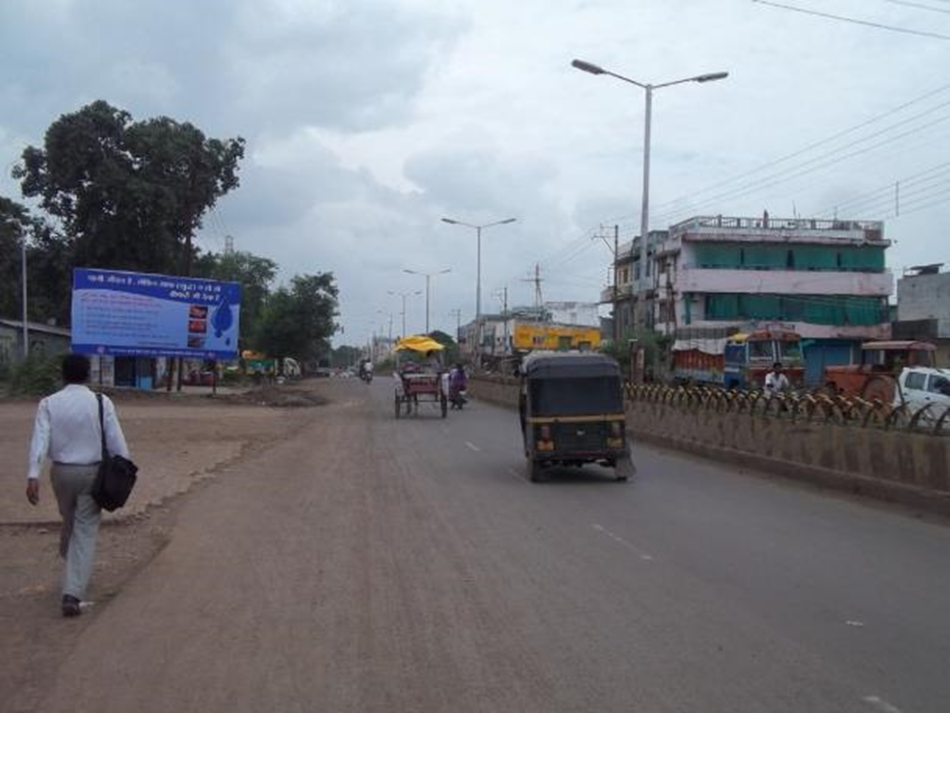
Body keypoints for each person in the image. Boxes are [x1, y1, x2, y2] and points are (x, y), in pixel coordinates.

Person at [26, 354, 130, 617]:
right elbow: (116, 439)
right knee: (83, 530)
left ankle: (73, 567)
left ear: (62, 375)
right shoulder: (100, 401)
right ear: (88, 375)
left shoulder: (48, 403)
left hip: (60, 473)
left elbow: (40, 438)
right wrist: (125, 467)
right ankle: (71, 594)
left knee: (71, 521)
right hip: (92, 474)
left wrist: (33, 474)